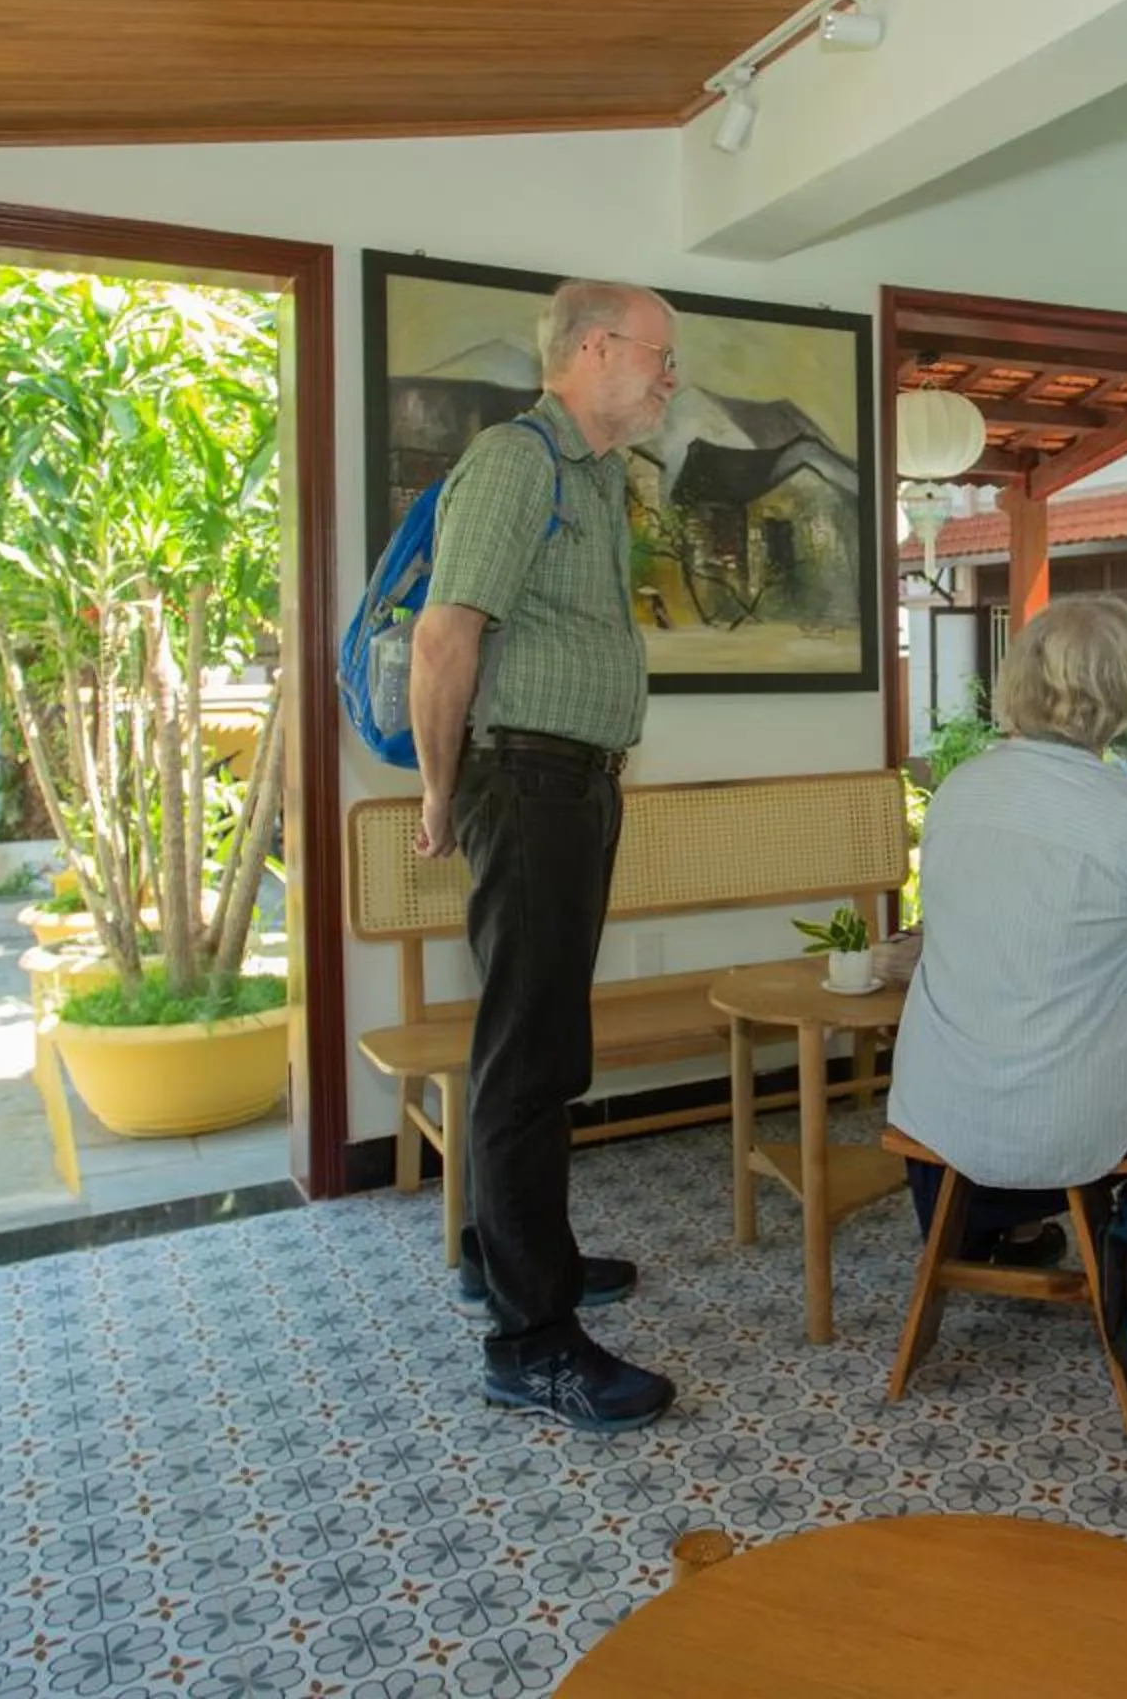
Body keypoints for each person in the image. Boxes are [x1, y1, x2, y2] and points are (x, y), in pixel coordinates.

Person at [410, 278, 679, 1432]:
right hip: (525, 785)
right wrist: (437, 792)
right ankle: (532, 1341)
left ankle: (510, 1252)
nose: (671, 376)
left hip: (572, 784)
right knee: (530, 1056)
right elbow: (443, 634)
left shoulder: (597, 475)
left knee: (537, 1032)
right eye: (662, 356)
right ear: (598, 347)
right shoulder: (518, 462)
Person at [886, 596, 1127, 1274]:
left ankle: (985, 1230)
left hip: (943, 1102)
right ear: (1117, 696)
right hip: (1065, 1113)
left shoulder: (957, 791)